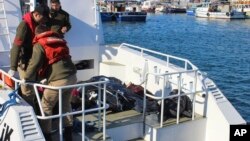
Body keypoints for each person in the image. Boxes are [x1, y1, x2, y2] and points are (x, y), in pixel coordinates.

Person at [23, 24, 77, 141]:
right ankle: (68, 135)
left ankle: (47, 136)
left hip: (59, 80)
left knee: (46, 106)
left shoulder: (39, 44)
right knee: (66, 104)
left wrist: (26, 78)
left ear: (36, 34)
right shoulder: (59, 40)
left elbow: (34, 64)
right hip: (72, 77)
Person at [9, 5, 49, 106]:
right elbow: (16, 45)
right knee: (27, 90)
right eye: (43, 18)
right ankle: (31, 111)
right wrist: (13, 67)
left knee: (35, 87)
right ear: (36, 14)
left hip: (35, 61)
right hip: (24, 62)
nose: (44, 21)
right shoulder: (24, 25)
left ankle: (37, 107)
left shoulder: (39, 24)